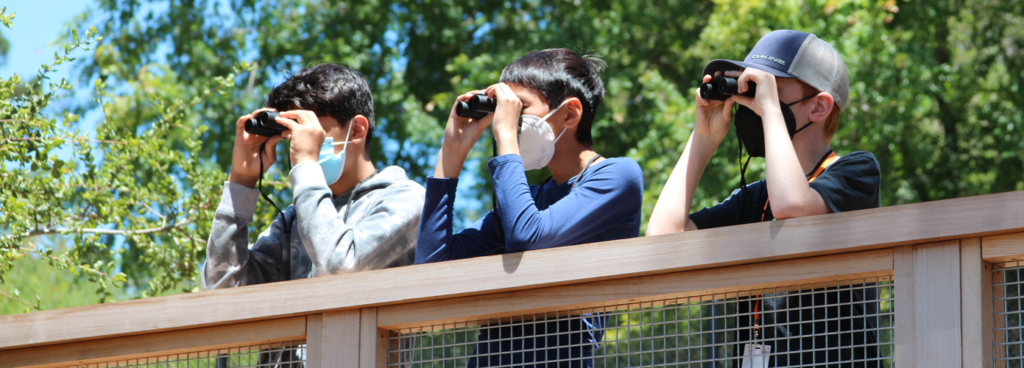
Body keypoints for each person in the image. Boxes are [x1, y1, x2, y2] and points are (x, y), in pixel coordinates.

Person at [648, 30, 882, 367]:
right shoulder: (757, 198)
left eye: (769, 87)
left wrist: (770, 110)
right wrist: (703, 137)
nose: (753, 100)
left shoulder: (857, 171)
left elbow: (792, 206)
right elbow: (662, 239)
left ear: (819, 106)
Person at [415, 49, 644, 367]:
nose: (504, 121)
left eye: (518, 108)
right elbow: (430, 267)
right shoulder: (528, 201)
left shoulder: (618, 175)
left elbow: (528, 236)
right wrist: (451, 153)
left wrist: (506, 135)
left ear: (570, 114)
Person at [203, 63, 425, 365]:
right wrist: (240, 184)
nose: (297, 147)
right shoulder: (295, 220)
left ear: (357, 130)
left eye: (310, 134)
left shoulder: (406, 199)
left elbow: (341, 267)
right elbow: (221, 290)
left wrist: (306, 167)